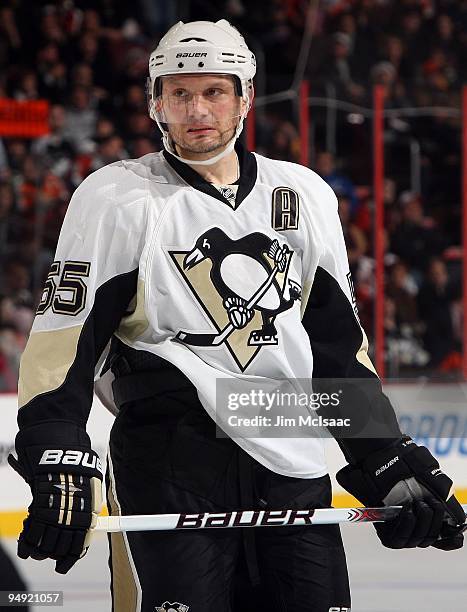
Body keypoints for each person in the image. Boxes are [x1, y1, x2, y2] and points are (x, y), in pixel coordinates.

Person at [8, 19, 465, 612]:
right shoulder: (116, 198)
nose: (198, 108)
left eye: (215, 91)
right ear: (156, 103)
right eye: (179, 92)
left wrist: (381, 453)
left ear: (245, 97)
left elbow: (334, 348)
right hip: (170, 454)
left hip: (290, 450)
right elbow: (63, 340)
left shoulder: (302, 195)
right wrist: (55, 449)